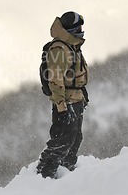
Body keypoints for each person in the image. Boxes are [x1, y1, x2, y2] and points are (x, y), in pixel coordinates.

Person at [36, 11, 89, 179]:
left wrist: (82, 94)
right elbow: (55, 79)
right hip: (66, 102)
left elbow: (75, 75)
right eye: (79, 27)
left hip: (75, 99)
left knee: (74, 138)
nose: (82, 30)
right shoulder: (60, 48)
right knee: (62, 141)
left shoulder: (72, 45)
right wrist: (61, 106)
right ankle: (44, 176)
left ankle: (66, 173)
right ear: (72, 30)